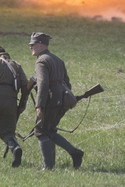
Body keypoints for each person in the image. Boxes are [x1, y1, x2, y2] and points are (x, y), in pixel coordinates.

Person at [28, 32, 83, 170]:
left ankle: (50, 166)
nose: (30, 47)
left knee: (41, 131)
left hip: (51, 100)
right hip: (63, 99)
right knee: (50, 130)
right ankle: (62, 159)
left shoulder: (41, 61)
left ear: (40, 45)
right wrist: (64, 97)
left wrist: (39, 104)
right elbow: (67, 83)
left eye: (32, 44)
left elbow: (43, 84)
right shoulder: (57, 59)